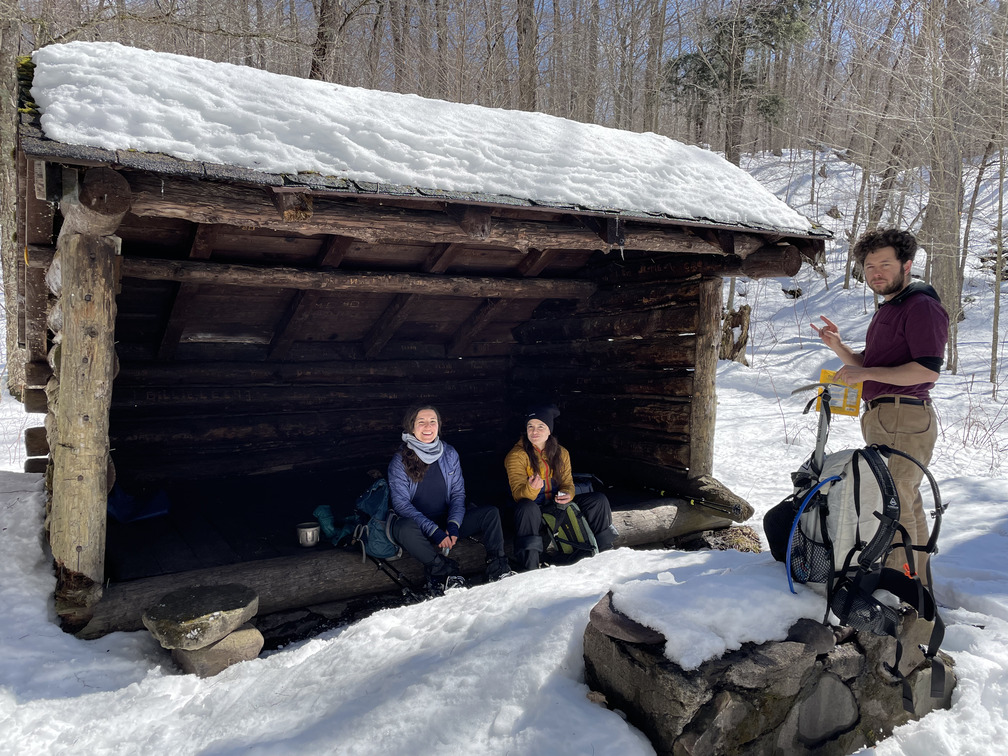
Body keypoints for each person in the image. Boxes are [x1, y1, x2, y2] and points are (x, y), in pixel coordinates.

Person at [811, 228, 948, 587]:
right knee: (904, 501)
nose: (876, 272)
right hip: (886, 415)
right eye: (870, 266)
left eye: (885, 264)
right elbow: (868, 366)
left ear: (907, 264)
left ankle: (905, 594)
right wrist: (839, 348)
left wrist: (867, 371)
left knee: (896, 504)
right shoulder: (894, 307)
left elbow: (927, 370)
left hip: (903, 415)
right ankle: (916, 590)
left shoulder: (922, 307)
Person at [388, 405, 512, 592]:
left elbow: (457, 494)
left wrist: (453, 525)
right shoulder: (399, 461)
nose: (428, 427)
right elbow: (401, 504)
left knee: (490, 513)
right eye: (421, 422)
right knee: (403, 527)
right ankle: (442, 572)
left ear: (439, 425)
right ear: (411, 427)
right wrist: (433, 530)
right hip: (418, 529)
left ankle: (498, 568)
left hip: (445, 522)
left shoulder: (449, 453)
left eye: (433, 421)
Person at [504, 404, 617, 571]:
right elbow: (518, 495)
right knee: (526, 508)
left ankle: (605, 553)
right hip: (533, 509)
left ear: (549, 430)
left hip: (557, 506)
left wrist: (568, 494)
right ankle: (530, 568)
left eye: (540, 426)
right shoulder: (516, 456)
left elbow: (567, 483)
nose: (534, 431)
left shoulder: (561, 452)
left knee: (598, 500)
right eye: (530, 426)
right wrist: (532, 488)